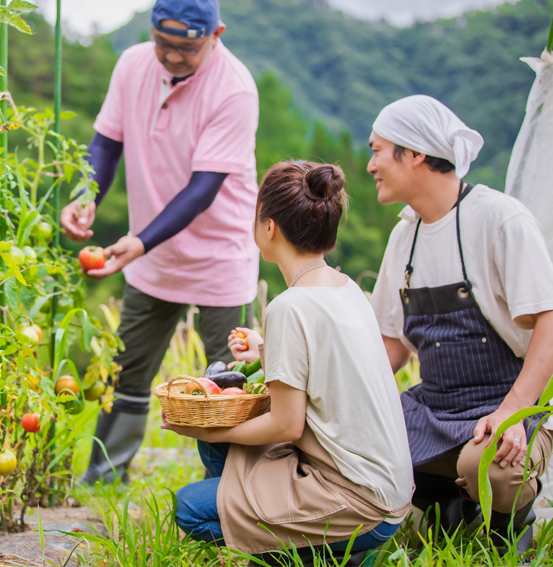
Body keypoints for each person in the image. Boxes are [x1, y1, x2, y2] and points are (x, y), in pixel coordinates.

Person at [164, 161, 414, 565]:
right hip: (389, 490)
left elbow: (286, 425)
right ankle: (312, 543)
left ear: (269, 227)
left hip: (357, 501)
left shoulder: (289, 307)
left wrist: (200, 427)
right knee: (223, 448)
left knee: (191, 507)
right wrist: (267, 349)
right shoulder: (345, 288)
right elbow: (326, 367)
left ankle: (314, 554)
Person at [60, 0, 260, 484]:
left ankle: (232, 489)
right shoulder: (132, 65)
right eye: (162, 43)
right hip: (151, 252)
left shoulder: (234, 88)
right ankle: (105, 477)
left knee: (228, 383)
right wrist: (88, 196)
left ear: (216, 35)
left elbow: (203, 189)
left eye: (187, 48)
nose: (171, 56)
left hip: (220, 257)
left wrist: (140, 241)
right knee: (127, 369)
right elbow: (105, 143)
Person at [368, 95, 553, 552]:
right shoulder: (405, 235)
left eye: (378, 150)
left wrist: (513, 413)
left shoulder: (499, 218)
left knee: (493, 465)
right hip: (435, 406)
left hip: (505, 409)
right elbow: (393, 348)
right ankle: (445, 505)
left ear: (415, 153)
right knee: (360, 438)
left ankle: (509, 530)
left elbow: (552, 322)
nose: (371, 165)